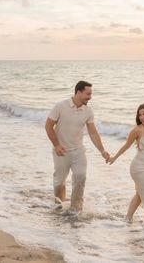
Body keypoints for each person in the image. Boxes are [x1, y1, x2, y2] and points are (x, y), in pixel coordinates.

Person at [45, 80, 109, 212]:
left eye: (90, 94)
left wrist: (102, 151)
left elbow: (93, 132)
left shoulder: (88, 111)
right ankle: (59, 205)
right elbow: (48, 125)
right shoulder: (60, 106)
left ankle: (75, 209)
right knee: (59, 181)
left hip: (79, 151)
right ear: (78, 92)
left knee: (80, 177)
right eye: (87, 94)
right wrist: (56, 145)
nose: (90, 97)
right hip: (61, 151)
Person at [107, 103, 144, 223]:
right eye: (140, 115)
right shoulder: (137, 130)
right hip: (139, 168)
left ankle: (128, 219)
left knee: (140, 195)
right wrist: (114, 158)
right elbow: (126, 146)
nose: (142, 117)